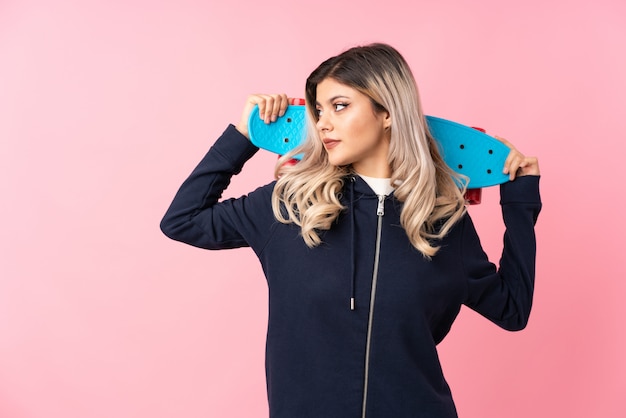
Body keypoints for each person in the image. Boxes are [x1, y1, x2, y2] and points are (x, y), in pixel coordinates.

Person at [160, 43, 541, 418]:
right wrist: (243, 135)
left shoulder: (442, 220)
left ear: (387, 111)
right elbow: (183, 220)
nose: (323, 122)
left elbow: (511, 308)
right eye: (319, 110)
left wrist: (519, 203)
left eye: (340, 106)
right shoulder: (291, 205)